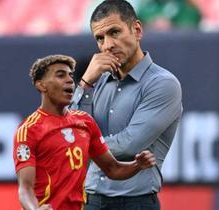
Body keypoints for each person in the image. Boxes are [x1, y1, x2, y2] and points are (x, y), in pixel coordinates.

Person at [70, 0, 183, 209]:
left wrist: (81, 144)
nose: (107, 45)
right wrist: (84, 83)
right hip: (92, 200)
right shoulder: (97, 82)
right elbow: (70, 128)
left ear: (137, 30)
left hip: (135, 202)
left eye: (114, 32)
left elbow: (129, 145)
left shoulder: (162, 83)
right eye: (100, 38)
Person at [13, 54, 156, 210]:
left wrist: (137, 165)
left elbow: (113, 169)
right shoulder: (29, 130)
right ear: (41, 85)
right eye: (61, 75)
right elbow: (25, 189)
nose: (69, 80)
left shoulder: (85, 122)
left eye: (70, 75)